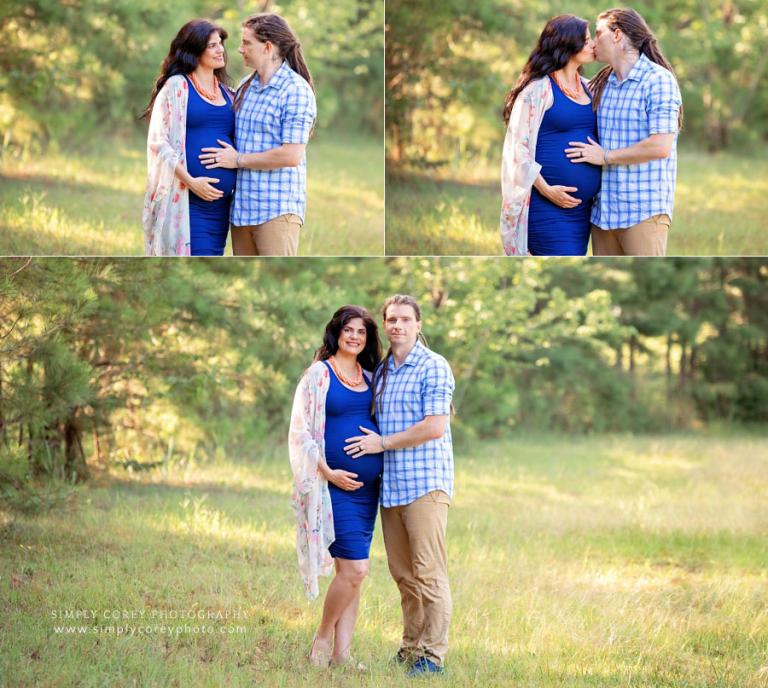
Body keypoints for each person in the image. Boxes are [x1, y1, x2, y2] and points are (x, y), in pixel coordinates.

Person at [345, 295, 455, 677]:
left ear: (418, 324)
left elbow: (435, 426)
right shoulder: (384, 370)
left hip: (425, 485)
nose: (397, 326)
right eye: (391, 320)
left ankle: (433, 657)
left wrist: (383, 443)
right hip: (391, 487)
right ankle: (410, 648)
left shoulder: (434, 366)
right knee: (403, 575)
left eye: (405, 319)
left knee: (429, 573)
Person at [288, 306, 383, 668]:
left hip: (367, 493)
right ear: (336, 333)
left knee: (352, 575)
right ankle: (321, 641)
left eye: (361, 331)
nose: (354, 336)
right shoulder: (319, 374)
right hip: (334, 490)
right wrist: (328, 472)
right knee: (356, 570)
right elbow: (301, 431)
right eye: (348, 330)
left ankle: (343, 656)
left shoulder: (372, 378)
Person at [564, 8, 683, 256]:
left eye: (598, 34)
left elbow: (660, 146)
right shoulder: (601, 84)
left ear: (617, 36)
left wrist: (605, 156)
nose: (593, 42)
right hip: (602, 214)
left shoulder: (657, 80)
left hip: (642, 212)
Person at [200, 13, 317, 256]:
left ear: (267, 47)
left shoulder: (295, 90)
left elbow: (291, 155)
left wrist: (238, 160)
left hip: (276, 210)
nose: (240, 49)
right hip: (242, 211)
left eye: (246, 43)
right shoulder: (245, 86)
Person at [500, 15, 600, 256]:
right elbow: (518, 149)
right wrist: (547, 190)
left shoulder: (590, 87)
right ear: (567, 44)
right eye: (585, 41)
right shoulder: (537, 90)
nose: (593, 45)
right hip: (547, 206)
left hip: (582, 212)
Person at [142, 19, 236, 256]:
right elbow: (158, 141)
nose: (220, 49)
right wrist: (191, 181)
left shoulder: (228, 92)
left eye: (220, 44)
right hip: (187, 201)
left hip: (221, 208)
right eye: (212, 45)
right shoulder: (177, 86)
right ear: (195, 51)